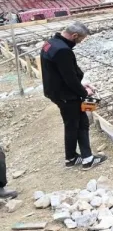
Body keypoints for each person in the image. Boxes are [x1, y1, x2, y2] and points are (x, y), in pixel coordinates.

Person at [41, 22, 107, 171]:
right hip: (67, 95)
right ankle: (88, 160)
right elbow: (69, 78)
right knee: (81, 124)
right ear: (74, 35)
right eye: (81, 39)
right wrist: (85, 92)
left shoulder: (50, 43)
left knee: (71, 125)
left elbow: (63, 73)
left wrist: (82, 84)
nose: (80, 42)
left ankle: (71, 158)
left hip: (57, 92)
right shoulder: (63, 51)